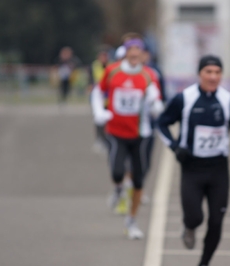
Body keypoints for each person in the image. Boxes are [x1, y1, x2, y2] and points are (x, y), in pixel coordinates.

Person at [157, 55, 230, 266]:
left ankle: (204, 263)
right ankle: (189, 227)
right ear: (199, 74)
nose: (213, 76)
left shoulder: (227, 100)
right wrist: (174, 146)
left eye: (217, 72)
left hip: (218, 169)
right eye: (208, 72)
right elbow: (161, 124)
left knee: (216, 221)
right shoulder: (184, 98)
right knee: (195, 217)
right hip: (192, 167)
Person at [92, 32, 163, 239]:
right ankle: (117, 189)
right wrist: (99, 112)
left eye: (138, 51)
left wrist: (155, 104)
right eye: (131, 50)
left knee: (139, 180)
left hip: (140, 133)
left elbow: (157, 102)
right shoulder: (113, 71)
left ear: (142, 54)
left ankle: (131, 221)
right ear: (125, 53)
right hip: (116, 131)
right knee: (116, 171)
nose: (134, 54)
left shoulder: (149, 75)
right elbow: (98, 92)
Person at [88, 47, 111, 153]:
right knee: (98, 119)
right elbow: (91, 80)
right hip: (98, 96)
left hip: (108, 96)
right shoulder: (94, 66)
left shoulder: (111, 66)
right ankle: (99, 140)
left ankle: (107, 139)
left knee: (108, 119)